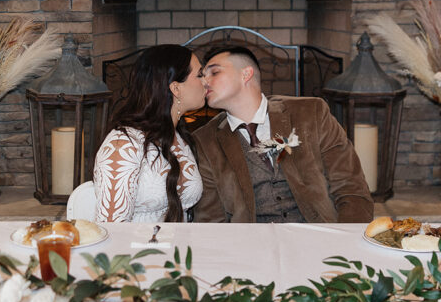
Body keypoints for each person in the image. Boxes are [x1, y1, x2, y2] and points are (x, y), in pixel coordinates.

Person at [193, 46, 374, 223]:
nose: (204, 81)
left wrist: (345, 243)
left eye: (214, 73)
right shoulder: (205, 140)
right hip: (251, 245)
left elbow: (351, 188)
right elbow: (211, 220)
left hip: (319, 237)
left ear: (245, 74)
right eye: (202, 75)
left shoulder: (311, 112)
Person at [94, 44, 206, 223]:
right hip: (139, 249)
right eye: (200, 75)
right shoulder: (123, 144)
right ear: (175, 88)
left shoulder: (179, 136)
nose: (206, 82)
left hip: (181, 247)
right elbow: (112, 229)